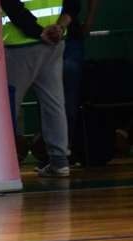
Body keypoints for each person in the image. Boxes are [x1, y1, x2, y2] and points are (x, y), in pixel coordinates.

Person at [1, 0, 79, 177]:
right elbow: (73, 4)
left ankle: (3, 166)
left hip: (20, 44)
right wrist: (59, 27)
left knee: (8, 106)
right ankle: (59, 162)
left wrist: (38, 31)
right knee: (54, 103)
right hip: (54, 42)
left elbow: (11, 5)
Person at [63, 0, 98, 165]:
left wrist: (89, 20)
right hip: (41, 39)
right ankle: (59, 153)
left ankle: (65, 151)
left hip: (68, 39)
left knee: (69, 101)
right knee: (51, 100)